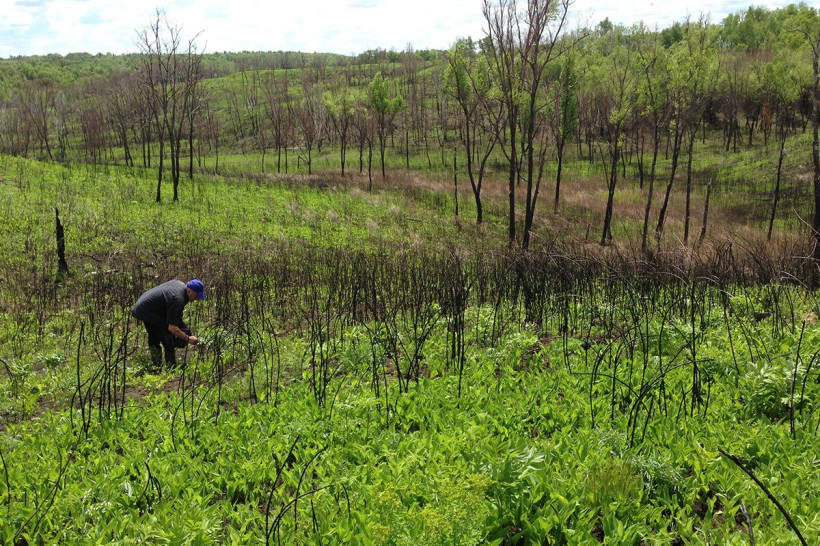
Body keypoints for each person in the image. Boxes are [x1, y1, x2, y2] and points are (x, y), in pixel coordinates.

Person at [131, 278, 205, 368]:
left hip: (148, 307)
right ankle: (170, 366)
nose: (197, 299)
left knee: (157, 334)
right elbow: (172, 327)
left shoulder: (180, 285)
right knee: (166, 336)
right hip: (146, 310)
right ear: (189, 291)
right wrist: (187, 338)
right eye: (196, 296)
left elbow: (175, 316)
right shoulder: (178, 299)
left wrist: (185, 331)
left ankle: (157, 365)